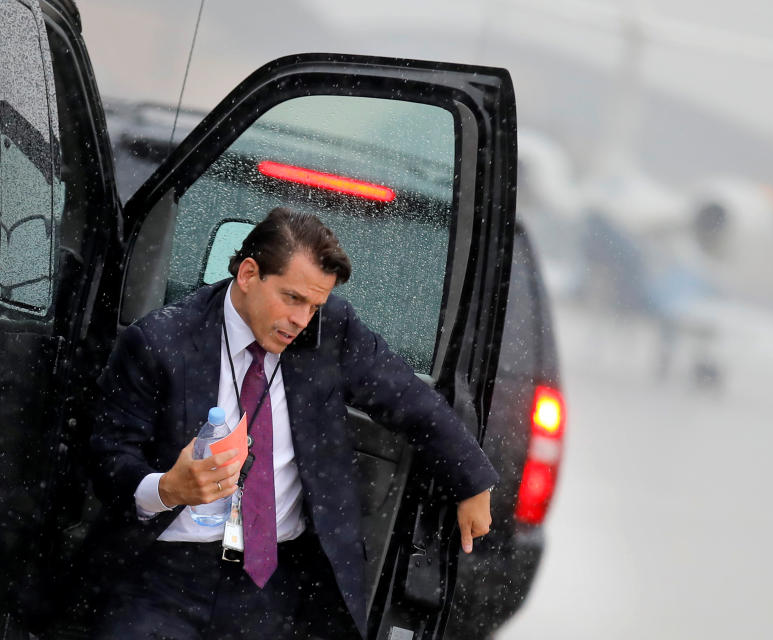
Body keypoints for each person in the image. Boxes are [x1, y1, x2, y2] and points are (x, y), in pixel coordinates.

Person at [88, 206, 498, 639]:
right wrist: (169, 488)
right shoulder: (160, 342)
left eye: (315, 304)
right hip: (162, 578)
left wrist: (472, 480)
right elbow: (107, 457)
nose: (302, 320)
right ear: (248, 274)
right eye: (293, 298)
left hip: (274, 583)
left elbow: (408, 398)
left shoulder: (329, 331)